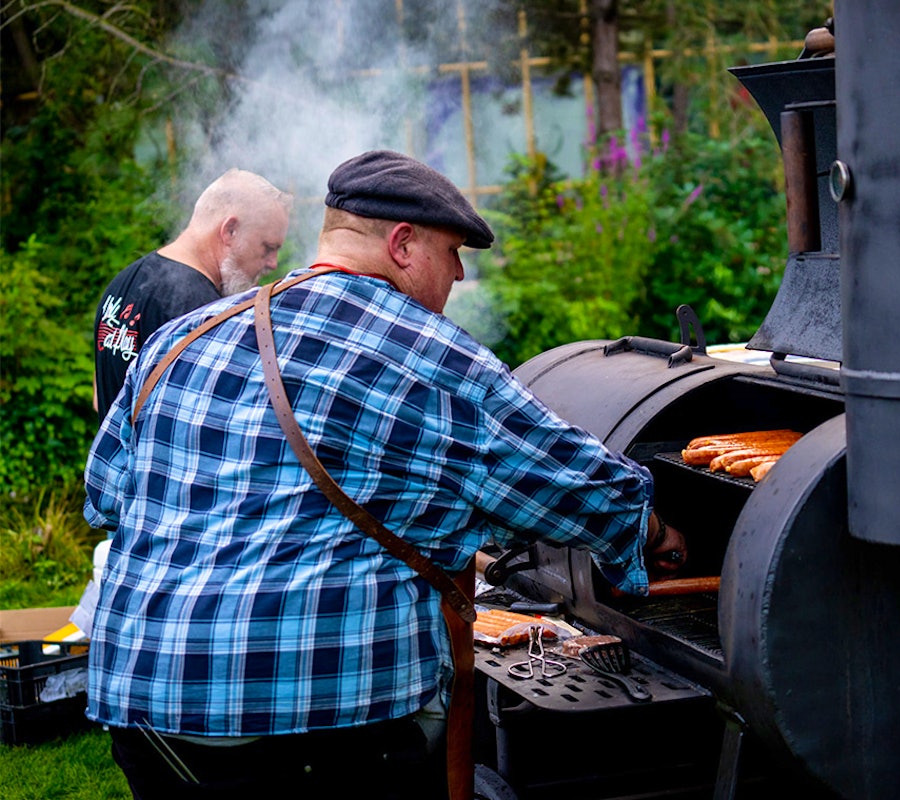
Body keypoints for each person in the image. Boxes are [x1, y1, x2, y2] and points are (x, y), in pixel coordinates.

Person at [83, 149, 687, 798]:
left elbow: (108, 495)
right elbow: (565, 479)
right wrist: (651, 531)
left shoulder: (188, 335)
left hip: (144, 701)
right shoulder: (435, 356)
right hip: (315, 718)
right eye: (453, 251)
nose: (458, 273)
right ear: (402, 244)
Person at [92, 168, 292, 421]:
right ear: (230, 230)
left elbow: (100, 399)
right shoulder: (200, 311)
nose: (273, 263)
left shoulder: (121, 283)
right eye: (268, 247)